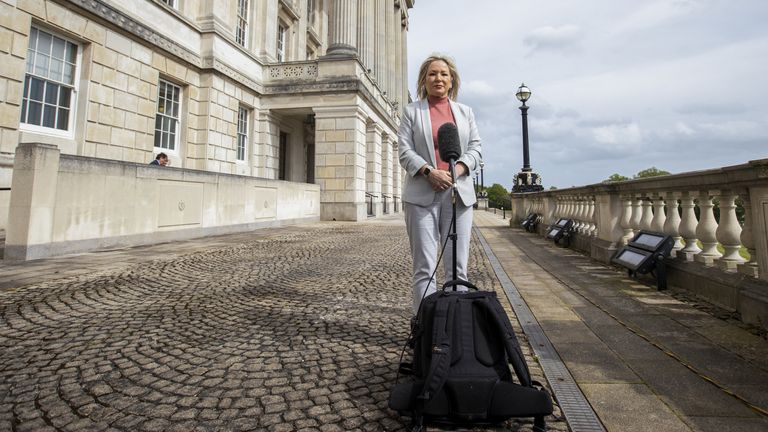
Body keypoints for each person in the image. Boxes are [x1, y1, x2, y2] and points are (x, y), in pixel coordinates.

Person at [398, 54, 482, 314]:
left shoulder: (465, 112)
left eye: (444, 74)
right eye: (433, 73)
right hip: (421, 195)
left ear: (452, 80)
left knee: (457, 267)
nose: (438, 78)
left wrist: (457, 170)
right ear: (424, 79)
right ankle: (425, 327)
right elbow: (404, 150)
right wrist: (429, 172)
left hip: (458, 196)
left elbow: (476, 149)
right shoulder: (412, 111)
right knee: (424, 267)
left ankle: (457, 326)